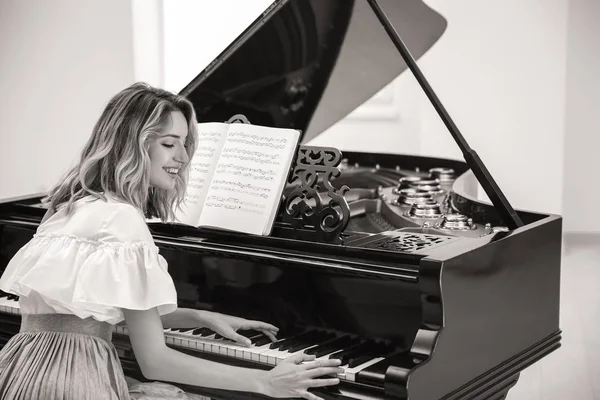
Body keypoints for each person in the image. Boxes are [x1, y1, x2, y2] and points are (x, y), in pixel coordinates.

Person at [0, 82, 342, 400]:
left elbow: (85, 311)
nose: (183, 156)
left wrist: (198, 316)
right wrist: (264, 381)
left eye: (184, 143)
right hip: (77, 382)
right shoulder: (123, 220)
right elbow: (155, 362)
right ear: (133, 144)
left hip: (25, 371)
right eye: (169, 143)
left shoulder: (65, 204)